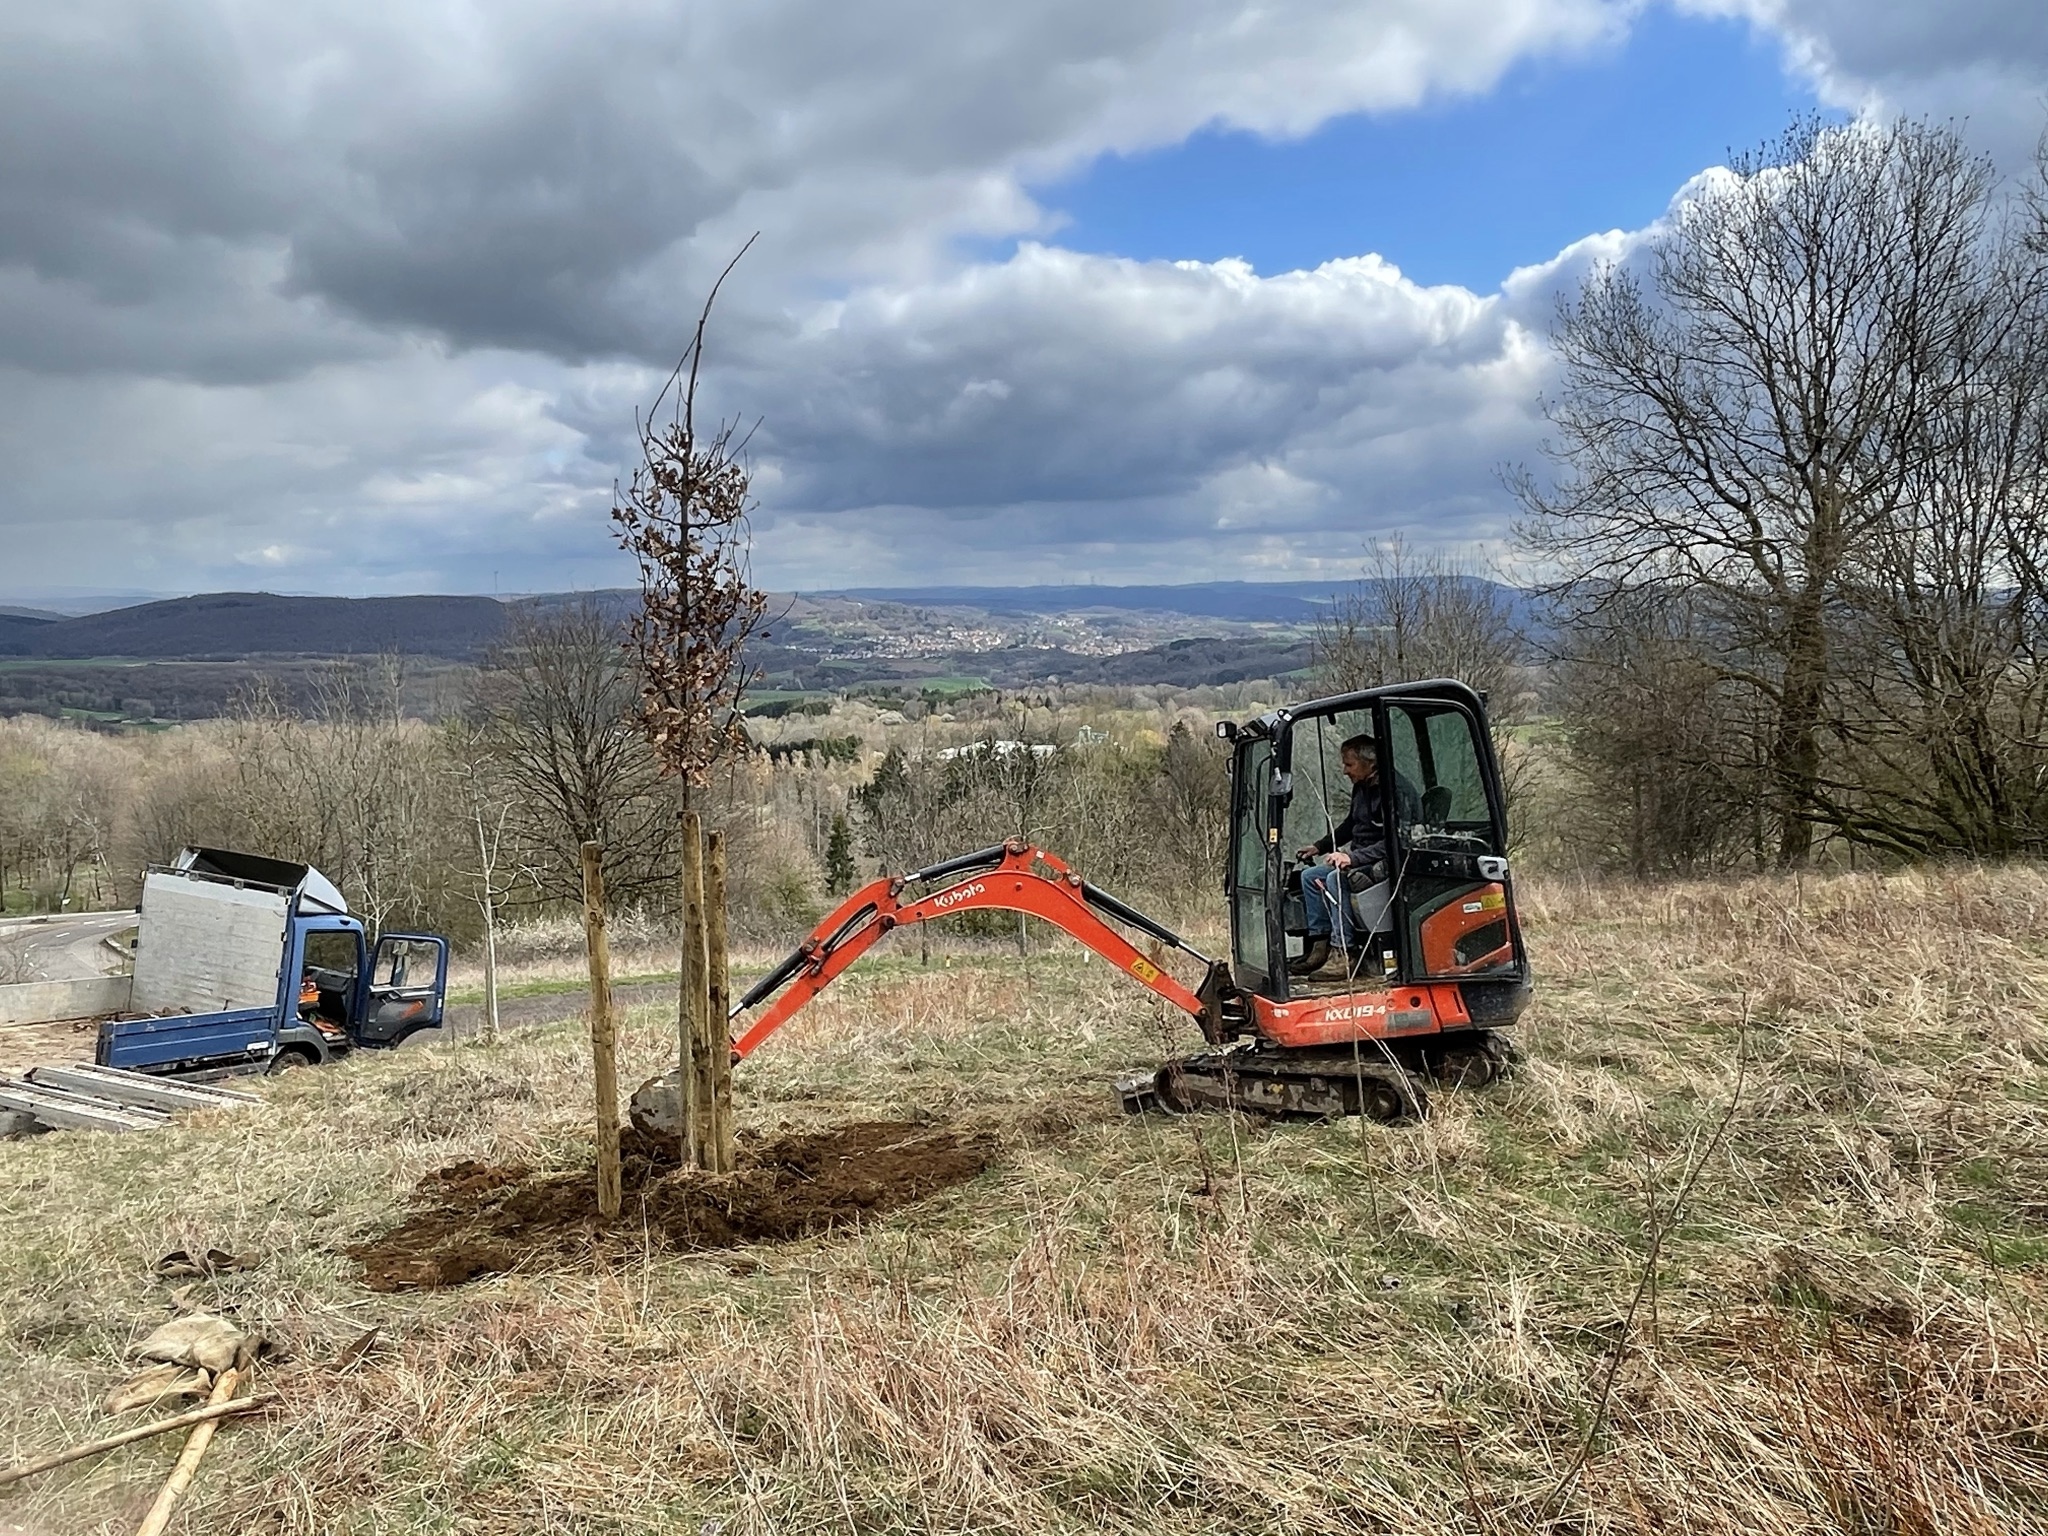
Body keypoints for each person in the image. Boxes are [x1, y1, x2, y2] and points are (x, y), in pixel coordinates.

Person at [1290, 733, 1415, 976]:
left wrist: (1352, 858)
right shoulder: (1362, 787)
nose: (1345, 770)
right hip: (1362, 857)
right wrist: (1320, 846)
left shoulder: (1394, 791)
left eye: (1349, 764)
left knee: (1335, 879)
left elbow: (1397, 841)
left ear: (1371, 762)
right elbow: (1351, 825)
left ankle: (1344, 951)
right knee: (1309, 877)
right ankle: (1321, 946)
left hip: (1385, 861)